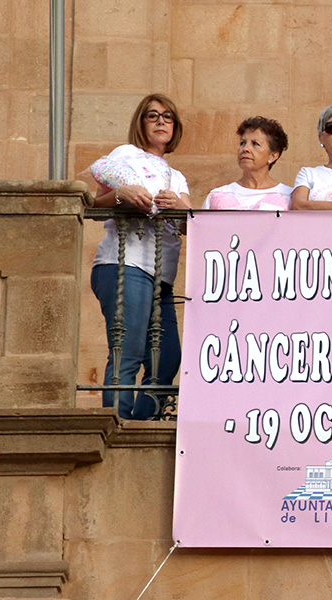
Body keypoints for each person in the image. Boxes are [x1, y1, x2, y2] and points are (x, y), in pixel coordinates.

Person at [88, 93, 191, 420]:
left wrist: (181, 208)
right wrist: (120, 194)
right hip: (124, 264)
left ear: (175, 128)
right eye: (152, 116)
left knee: (167, 360)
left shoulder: (177, 178)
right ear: (140, 123)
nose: (161, 121)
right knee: (128, 354)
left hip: (160, 277)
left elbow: (191, 223)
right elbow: (84, 197)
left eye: (168, 117)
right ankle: (118, 435)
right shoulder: (125, 155)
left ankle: (139, 425)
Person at [202, 116, 292, 210]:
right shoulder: (218, 195)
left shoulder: (288, 196)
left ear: (272, 156)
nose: (245, 149)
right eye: (242, 143)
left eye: (255, 144)